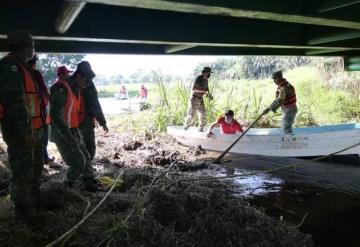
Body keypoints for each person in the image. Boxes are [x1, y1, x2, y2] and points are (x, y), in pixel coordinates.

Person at [0, 31, 44, 219]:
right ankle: (22, 212)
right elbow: (16, 103)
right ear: (26, 47)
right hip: (20, 131)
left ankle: (32, 204)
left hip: (31, 129)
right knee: (22, 172)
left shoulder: (22, 67)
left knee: (34, 168)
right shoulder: (10, 67)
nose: (33, 49)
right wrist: (26, 131)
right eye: (32, 46)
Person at [48, 63, 97, 192]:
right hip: (62, 131)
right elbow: (55, 115)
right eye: (86, 81)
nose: (87, 85)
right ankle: (65, 187)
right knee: (78, 162)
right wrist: (67, 136)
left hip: (72, 129)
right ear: (79, 76)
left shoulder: (74, 88)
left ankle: (88, 181)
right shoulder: (61, 87)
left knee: (86, 157)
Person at [76, 61, 109, 160]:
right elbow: (95, 105)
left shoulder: (71, 82)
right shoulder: (89, 84)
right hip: (85, 120)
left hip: (73, 122)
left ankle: (83, 167)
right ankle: (87, 170)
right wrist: (103, 123)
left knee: (78, 146)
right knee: (89, 148)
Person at [28, 55, 54, 164]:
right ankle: (43, 159)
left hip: (23, 115)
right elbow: (44, 92)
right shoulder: (35, 73)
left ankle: (39, 159)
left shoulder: (17, 73)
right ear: (33, 63)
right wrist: (53, 103)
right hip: (38, 113)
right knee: (42, 137)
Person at [184, 66, 213, 132]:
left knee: (203, 114)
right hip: (194, 98)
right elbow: (194, 89)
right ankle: (186, 128)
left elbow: (207, 90)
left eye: (209, 73)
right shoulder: (198, 78)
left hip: (200, 99)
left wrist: (209, 95)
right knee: (191, 115)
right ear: (204, 72)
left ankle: (201, 129)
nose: (208, 74)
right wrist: (204, 91)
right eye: (208, 73)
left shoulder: (206, 80)